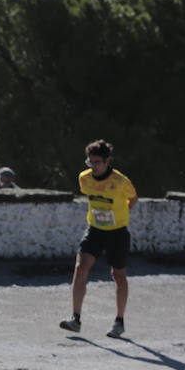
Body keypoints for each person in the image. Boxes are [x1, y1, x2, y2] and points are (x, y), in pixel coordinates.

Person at [59, 139, 138, 338]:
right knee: (80, 267)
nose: (93, 166)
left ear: (107, 161)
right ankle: (75, 319)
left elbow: (133, 199)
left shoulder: (120, 181)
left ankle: (119, 321)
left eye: (97, 162)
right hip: (95, 229)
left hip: (117, 232)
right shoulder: (84, 179)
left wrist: (122, 214)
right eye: (90, 162)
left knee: (118, 274)